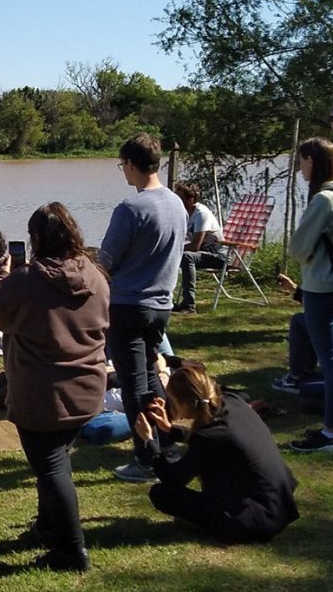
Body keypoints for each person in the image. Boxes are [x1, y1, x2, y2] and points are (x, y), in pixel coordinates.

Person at [0, 202, 109, 572]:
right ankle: (48, 524)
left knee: (51, 467)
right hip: (86, 389)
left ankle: (72, 550)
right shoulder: (96, 275)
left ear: (35, 239)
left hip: (43, 396)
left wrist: (5, 274)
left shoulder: (27, 279)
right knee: (56, 458)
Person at [98, 133, 186, 482]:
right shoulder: (177, 203)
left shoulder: (130, 209)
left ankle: (146, 458)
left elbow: (106, 261)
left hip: (128, 306)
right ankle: (167, 442)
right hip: (161, 304)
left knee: (135, 385)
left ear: (132, 165)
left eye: (122, 165)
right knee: (150, 374)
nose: (123, 171)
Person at [135, 367, 299, 543]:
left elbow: (172, 478)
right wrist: (169, 429)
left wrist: (149, 441)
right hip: (281, 504)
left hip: (254, 521)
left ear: (184, 404)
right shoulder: (234, 402)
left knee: (162, 493)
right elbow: (218, 439)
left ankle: (211, 524)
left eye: (173, 401)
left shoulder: (207, 438)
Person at [283, 138, 333, 453]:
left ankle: (330, 433)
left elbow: (298, 249)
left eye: (302, 161)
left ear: (312, 161)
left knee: (331, 358)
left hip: (322, 285)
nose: (300, 167)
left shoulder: (324, 199)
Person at [173, 183, 225, 314]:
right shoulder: (183, 213)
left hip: (219, 255)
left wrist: (174, 250)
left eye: (179, 198)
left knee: (187, 256)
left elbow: (195, 246)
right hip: (203, 253)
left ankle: (189, 305)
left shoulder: (201, 213)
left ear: (190, 199)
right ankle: (165, 300)